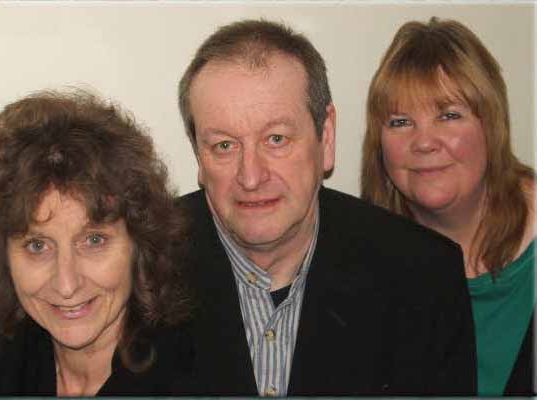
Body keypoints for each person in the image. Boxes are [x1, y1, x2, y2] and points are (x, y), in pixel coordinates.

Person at [175, 18, 476, 396]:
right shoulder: (138, 269)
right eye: (224, 146)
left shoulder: (425, 279)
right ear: (198, 155)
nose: (250, 177)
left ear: (326, 137)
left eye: (276, 139)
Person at [0, 89, 191, 396]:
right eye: (37, 246)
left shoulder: (196, 375)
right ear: (1, 257)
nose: (67, 285)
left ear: (140, 244)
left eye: (94, 240)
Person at [361, 17, 535, 396]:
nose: (424, 142)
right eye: (400, 121)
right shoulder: (355, 262)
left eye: (449, 115)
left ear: (492, 126)